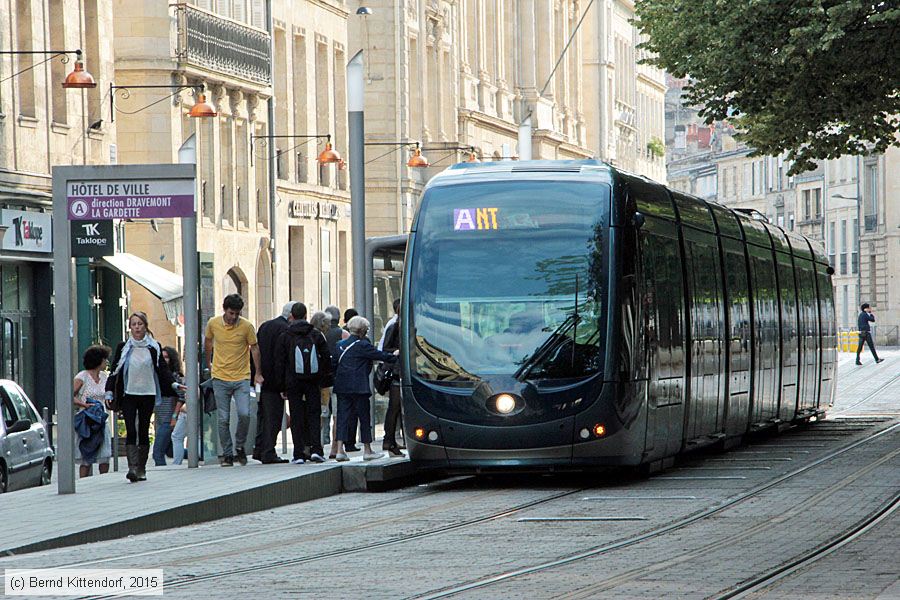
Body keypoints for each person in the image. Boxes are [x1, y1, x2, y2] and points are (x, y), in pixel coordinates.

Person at [106, 312, 181, 482]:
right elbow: (115, 371)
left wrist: (174, 384)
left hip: (148, 393)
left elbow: (162, 369)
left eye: (140, 324)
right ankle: (132, 468)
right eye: (134, 324)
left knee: (143, 429)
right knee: (131, 429)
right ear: (130, 327)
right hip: (129, 393)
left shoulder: (153, 347)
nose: (137, 327)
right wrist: (109, 390)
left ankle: (141, 468)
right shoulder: (124, 347)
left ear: (145, 326)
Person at [205, 294, 263, 467]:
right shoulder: (213, 324)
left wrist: (257, 372)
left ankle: (240, 445)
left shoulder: (246, 326)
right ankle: (228, 453)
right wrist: (209, 364)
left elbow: (255, 348)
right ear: (225, 310)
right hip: (220, 377)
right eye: (231, 313)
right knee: (223, 418)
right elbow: (208, 342)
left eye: (237, 314)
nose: (233, 317)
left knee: (245, 414)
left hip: (241, 377)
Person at [332, 316, 398, 462]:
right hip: (359, 387)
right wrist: (395, 355)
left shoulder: (339, 345)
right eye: (366, 330)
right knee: (364, 417)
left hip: (342, 387)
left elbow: (334, 366)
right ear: (362, 331)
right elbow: (380, 355)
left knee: (342, 417)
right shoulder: (363, 345)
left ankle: (339, 450)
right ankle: (367, 450)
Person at [274, 303, 333, 464]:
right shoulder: (316, 334)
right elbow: (326, 358)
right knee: (314, 415)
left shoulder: (286, 335)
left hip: (293, 382)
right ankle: (316, 450)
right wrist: (323, 380)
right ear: (306, 316)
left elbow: (280, 362)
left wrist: (281, 386)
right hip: (313, 381)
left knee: (297, 416)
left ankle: (298, 453)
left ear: (291, 316)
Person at [253, 301, 297, 464]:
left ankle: (259, 448)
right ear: (291, 316)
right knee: (274, 417)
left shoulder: (265, 326)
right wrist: (283, 384)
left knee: (263, 416)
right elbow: (282, 358)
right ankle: (268, 451)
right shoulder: (285, 330)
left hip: (262, 378)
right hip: (275, 380)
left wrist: (256, 373)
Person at [73, 345, 112, 478]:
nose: (107, 362)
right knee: (86, 456)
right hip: (87, 419)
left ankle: (103, 479)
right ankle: (83, 482)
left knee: (104, 454)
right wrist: (83, 404)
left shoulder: (104, 376)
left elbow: (107, 394)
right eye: (104, 359)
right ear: (98, 360)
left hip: (101, 419)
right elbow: (69, 396)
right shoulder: (82, 377)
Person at [379, 299, 404, 456]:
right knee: (394, 407)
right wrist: (398, 351)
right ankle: (389, 440)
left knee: (397, 408)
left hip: (404, 371)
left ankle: (391, 440)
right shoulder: (395, 326)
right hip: (397, 372)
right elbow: (385, 348)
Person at [152, 346, 183, 466]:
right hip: (160, 418)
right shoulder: (157, 376)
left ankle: (162, 473)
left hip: (169, 419)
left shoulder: (174, 377)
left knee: (157, 453)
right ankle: (196, 454)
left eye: (166, 357)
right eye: (162, 357)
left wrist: (174, 416)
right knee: (169, 451)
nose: (164, 360)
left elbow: (182, 396)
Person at [323, 306, 346, 457]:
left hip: (322, 382)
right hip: (337, 380)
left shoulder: (319, 333)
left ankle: (317, 446)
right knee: (338, 415)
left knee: (322, 414)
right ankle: (336, 448)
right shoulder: (343, 334)